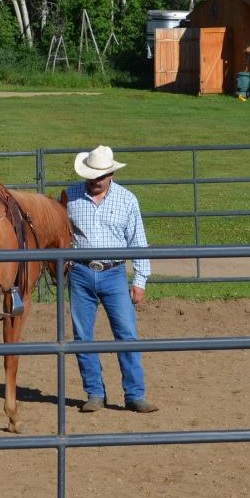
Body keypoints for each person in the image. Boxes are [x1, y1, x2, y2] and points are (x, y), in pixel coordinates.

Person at [64, 145, 157, 413]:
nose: (94, 180)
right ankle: (94, 392)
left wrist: (140, 280)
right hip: (81, 272)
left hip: (114, 273)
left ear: (111, 174)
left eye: (99, 176)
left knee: (126, 333)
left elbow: (138, 241)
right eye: (91, 175)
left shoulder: (127, 200)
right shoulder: (70, 197)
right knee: (83, 336)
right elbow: (61, 234)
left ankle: (135, 394)